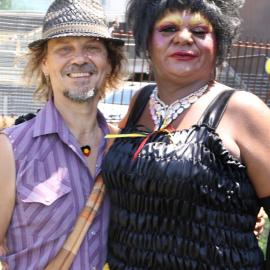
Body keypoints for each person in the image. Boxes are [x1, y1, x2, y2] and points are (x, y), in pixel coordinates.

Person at [102, 0, 270, 269]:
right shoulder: (139, 103)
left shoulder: (243, 110)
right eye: (168, 28)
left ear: (219, 44)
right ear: (147, 41)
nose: (183, 37)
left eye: (200, 31)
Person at [0, 0, 125, 269]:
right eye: (64, 49)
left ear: (108, 62)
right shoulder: (9, 149)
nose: (79, 59)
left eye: (92, 47)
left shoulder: (122, 148)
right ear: (44, 63)